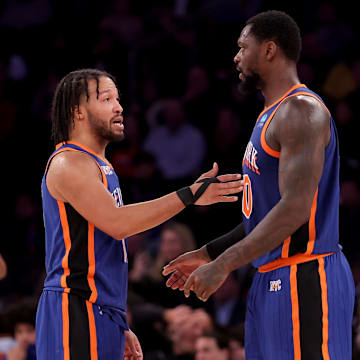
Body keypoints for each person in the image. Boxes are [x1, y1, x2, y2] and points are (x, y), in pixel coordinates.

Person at [163, 10, 355, 359]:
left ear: (269, 50)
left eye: (242, 47)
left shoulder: (301, 111)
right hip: (270, 276)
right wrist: (209, 253)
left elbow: (294, 209)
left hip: (305, 274)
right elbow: (263, 214)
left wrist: (223, 265)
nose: (236, 57)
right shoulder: (270, 114)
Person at [36, 68, 244, 360]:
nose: (119, 107)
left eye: (117, 99)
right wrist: (189, 195)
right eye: (106, 99)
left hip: (101, 312)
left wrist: (119, 321)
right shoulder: (69, 163)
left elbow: (104, 250)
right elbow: (118, 224)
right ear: (78, 112)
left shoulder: (100, 165)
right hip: (75, 309)